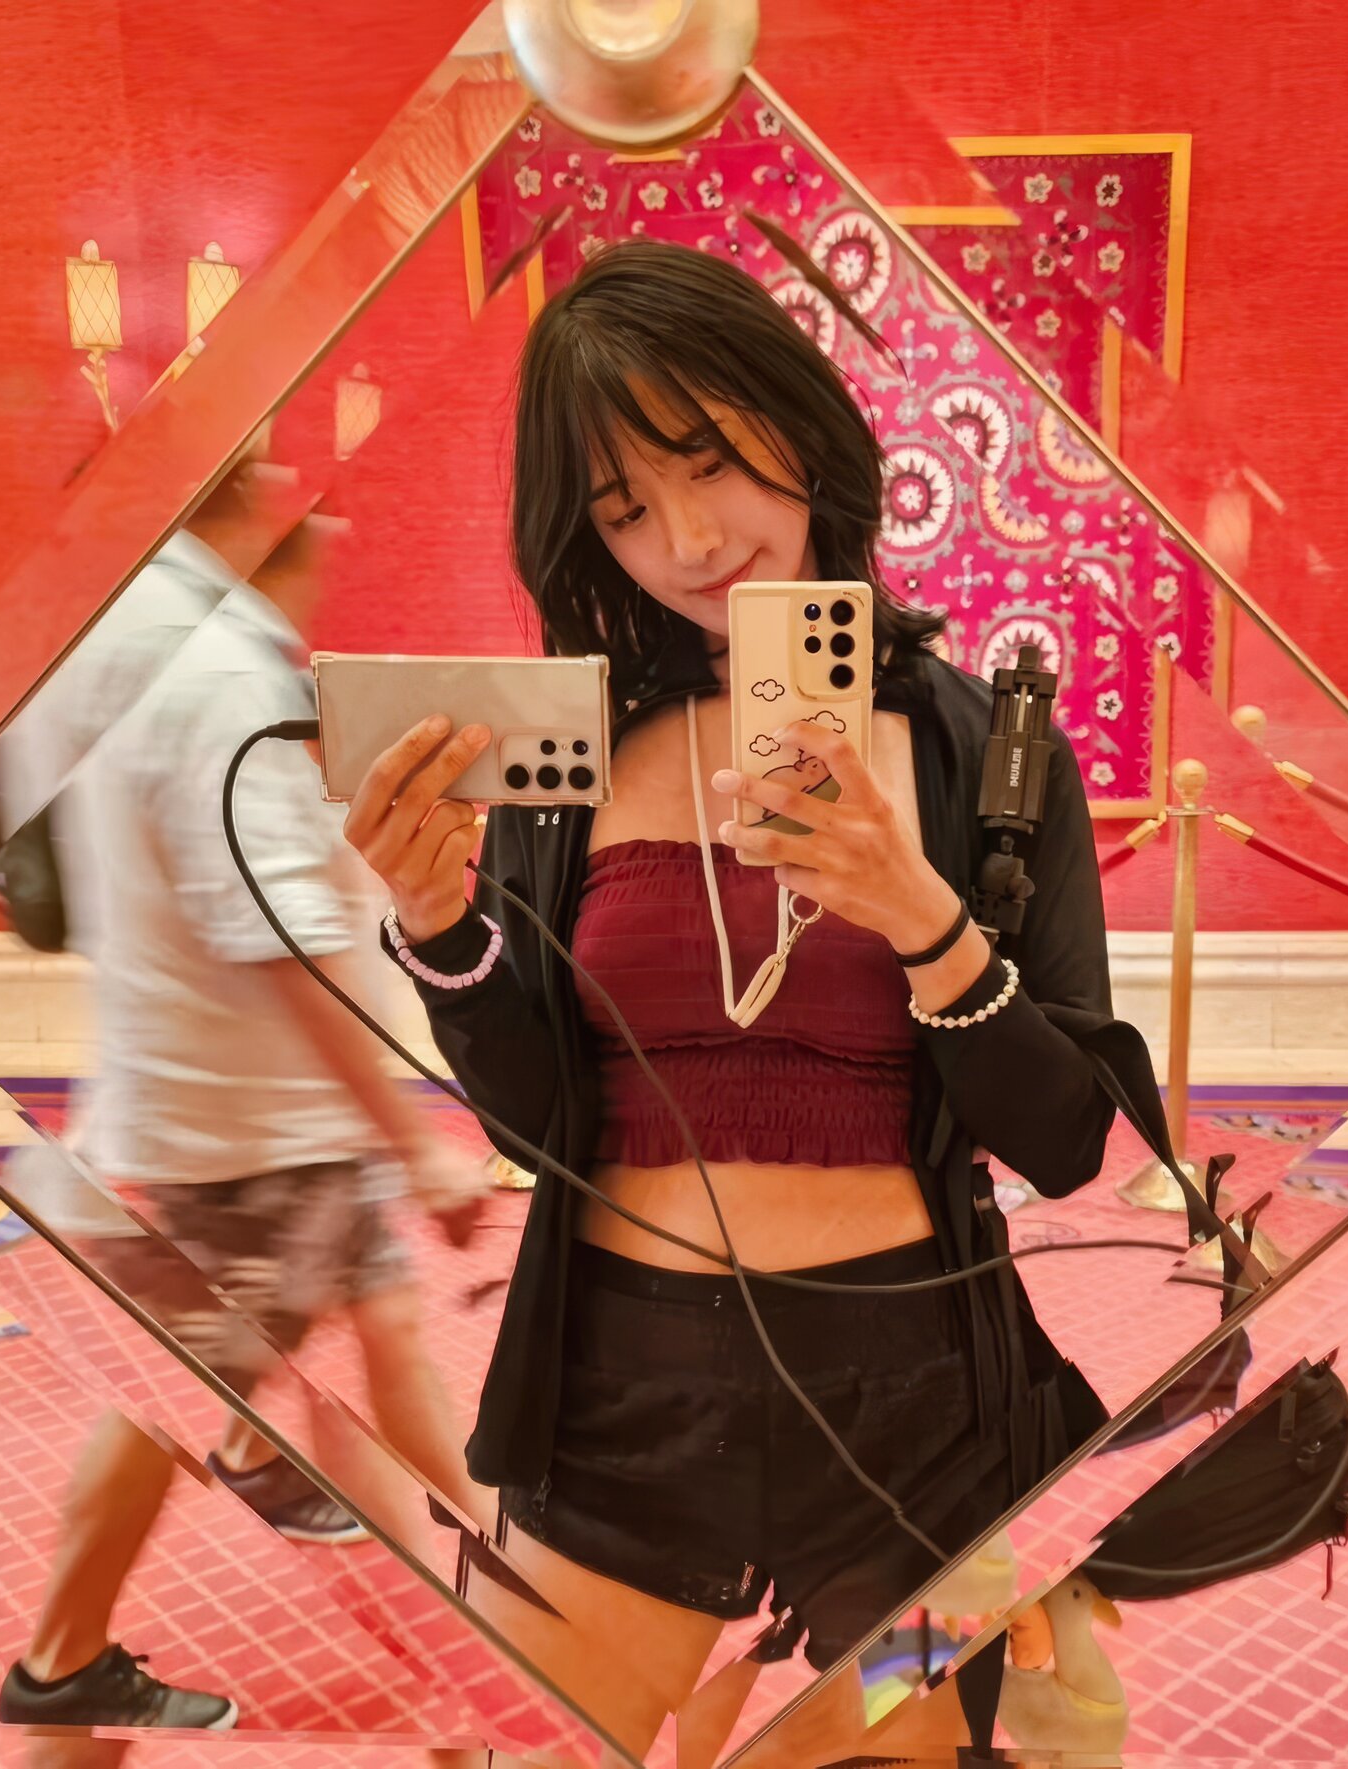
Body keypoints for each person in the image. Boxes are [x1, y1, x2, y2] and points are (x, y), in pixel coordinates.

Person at [344, 241, 1124, 1758]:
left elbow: (1067, 1139)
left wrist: (922, 917)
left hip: (917, 1410)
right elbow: (537, 1125)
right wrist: (439, 924)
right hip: (618, 1396)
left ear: (797, 421)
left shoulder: (981, 753)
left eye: (707, 462)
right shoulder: (570, 758)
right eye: (624, 510)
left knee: (897, 1742)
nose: (689, 541)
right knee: (527, 1745)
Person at [0, 502, 485, 1734]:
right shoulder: (220, 672)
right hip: (250, 1127)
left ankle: (474, 1575)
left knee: (382, 1320)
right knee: (170, 1386)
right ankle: (60, 1660)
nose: (333, 522)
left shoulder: (135, 624)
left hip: (242, 1103)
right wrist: (415, 1138)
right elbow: (281, 938)